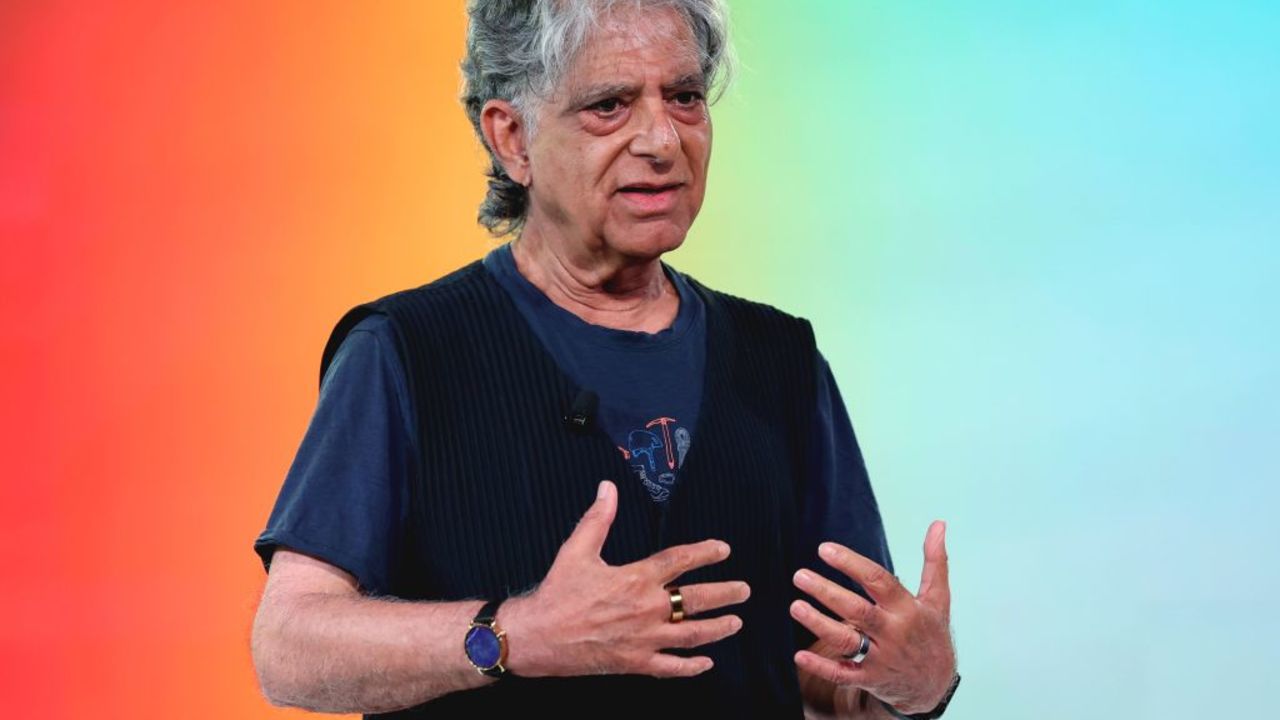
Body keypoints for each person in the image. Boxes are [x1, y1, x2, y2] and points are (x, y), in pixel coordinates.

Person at [250, 1, 959, 718]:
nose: (661, 140)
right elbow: (289, 647)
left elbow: (830, 689)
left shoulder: (783, 362)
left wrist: (916, 689)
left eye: (684, 98)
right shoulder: (404, 352)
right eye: (610, 105)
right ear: (512, 139)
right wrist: (516, 635)